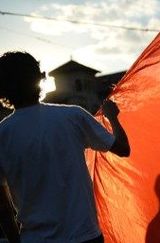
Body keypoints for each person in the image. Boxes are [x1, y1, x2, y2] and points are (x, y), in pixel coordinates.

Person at [0, 51, 130, 243]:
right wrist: (112, 116)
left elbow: (2, 205)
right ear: (39, 79)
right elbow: (122, 148)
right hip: (85, 236)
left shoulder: (3, 134)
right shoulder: (73, 116)